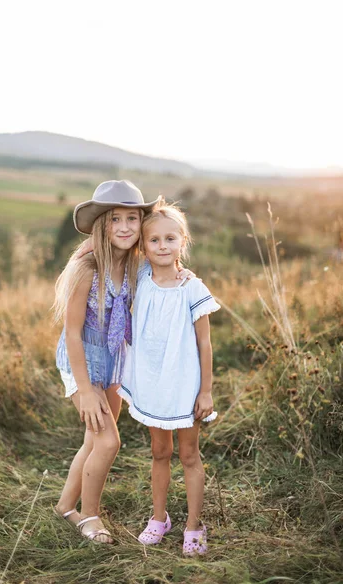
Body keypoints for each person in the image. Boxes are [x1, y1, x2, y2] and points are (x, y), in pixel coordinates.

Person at [52, 180, 189, 544]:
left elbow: (165, 260)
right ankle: (90, 518)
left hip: (114, 360)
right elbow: (72, 332)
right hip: (83, 361)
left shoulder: (133, 264)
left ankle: (65, 506)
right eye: (115, 219)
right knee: (108, 442)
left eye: (132, 218)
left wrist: (183, 274)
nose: (126, 226)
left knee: (93, 440)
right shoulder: (87, 270)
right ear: (103, 224)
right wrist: (85, 388)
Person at [118, 199, 220, 556]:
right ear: (143, 247)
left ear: (183, 241)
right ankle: (159, 517)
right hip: (151, 382)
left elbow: (204, 343)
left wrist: (205, 390)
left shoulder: (192, 288)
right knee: (159, 451)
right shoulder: (141, 276)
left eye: (170, 239)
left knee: (189, 455)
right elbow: (107, 241)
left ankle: (194, 525)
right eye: (154, 240)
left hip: (184, 385)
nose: (163, 246)